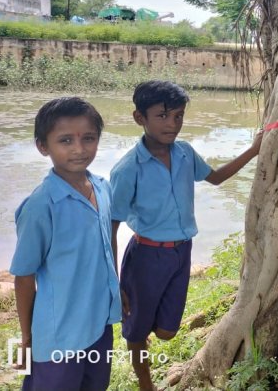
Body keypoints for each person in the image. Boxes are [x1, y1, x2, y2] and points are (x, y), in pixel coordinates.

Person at [110, 80, 263, 391]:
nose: (172, 124)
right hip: (146, 257)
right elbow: (110, 227)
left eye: (178, 116)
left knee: (167, 331)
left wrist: (255, 149)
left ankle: (145, 328)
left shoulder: (184, 154)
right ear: (140, 118)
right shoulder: (128, 169)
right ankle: (145, 382)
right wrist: (112, 282)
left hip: (182, 253)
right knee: (136, 331)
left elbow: (217, 178)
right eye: (162, 116)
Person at [10, 97, 121, 391]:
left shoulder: (103, 187)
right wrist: (27, 338)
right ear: (43, 146)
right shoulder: (41, 206)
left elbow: (108, 243)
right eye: (65, 140)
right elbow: (24, 277)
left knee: (96, 385)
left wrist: (117, 287)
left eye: (88, 138)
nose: (79, 149)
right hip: (60, 334)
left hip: (99, 324)